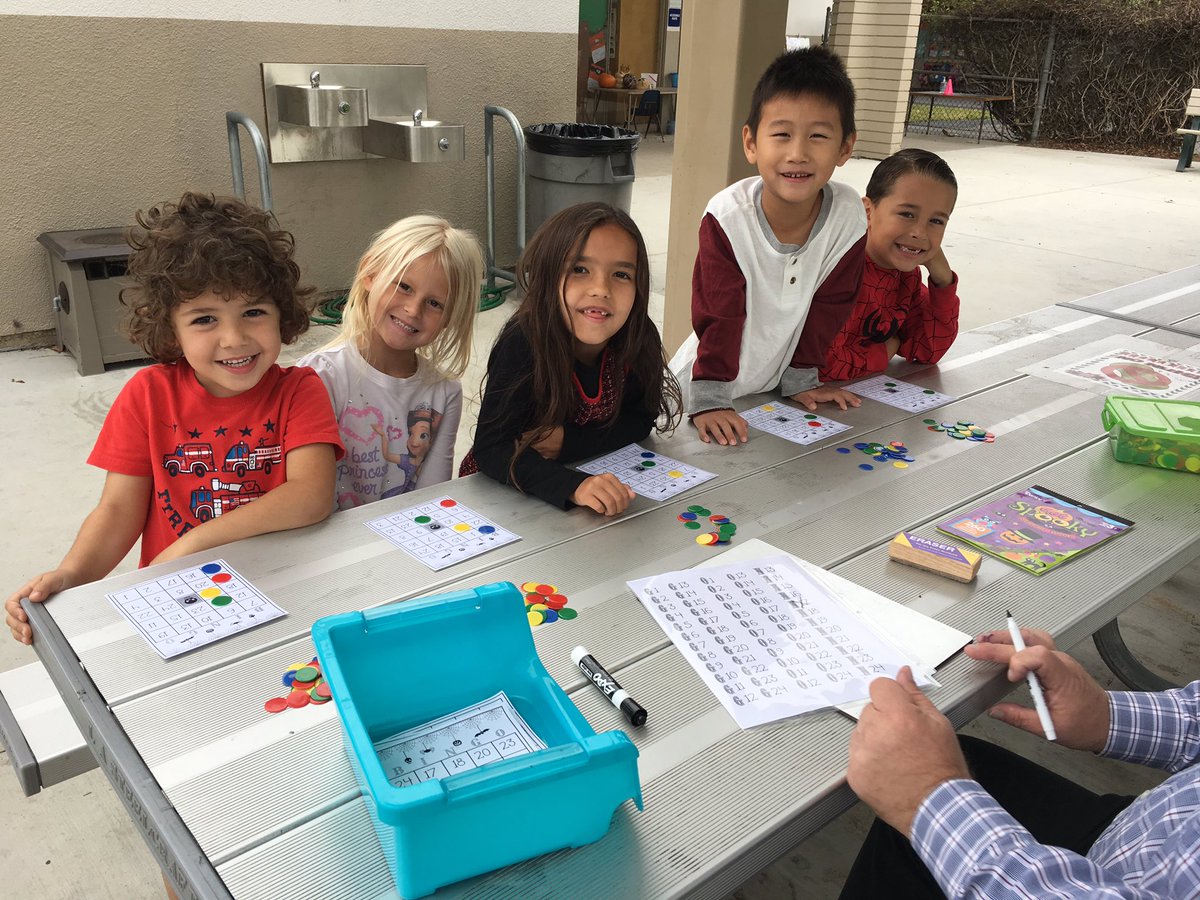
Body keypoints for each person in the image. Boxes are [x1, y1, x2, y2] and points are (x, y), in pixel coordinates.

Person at [5, 191, 344, 645]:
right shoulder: (148, 395)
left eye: (254, 312)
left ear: (283, 313)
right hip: (179, 598)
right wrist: (73, 574)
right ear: (170, 327)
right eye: (205, 319)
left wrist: (192, 544)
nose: (233, 338)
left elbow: (310, 495)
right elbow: (118, 509)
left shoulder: (299, 389)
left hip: (288, 588)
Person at [842, 626, 1200, 899]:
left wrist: (928, 798)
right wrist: (1109, 716)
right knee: (965, 762)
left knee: (925, 779)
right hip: (1143, 835)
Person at [668, 46, 868, 446]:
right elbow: (719, 312)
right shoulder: (727, 217)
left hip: (772, 392)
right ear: (751, 142)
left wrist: (801, 380)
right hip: (699, 391)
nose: (798, 153)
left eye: (818, 136)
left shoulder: (848, 215)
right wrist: (709, 399)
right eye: (781, 134)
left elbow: (830, 305)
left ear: (845, 147)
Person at [460, 201, 682, 516]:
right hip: (501, 498)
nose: (600, 289)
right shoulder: (523, 343)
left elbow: (640, 420)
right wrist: (573, 486)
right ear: (549, 276)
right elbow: (492, 449)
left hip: (587, 483)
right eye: (580, 270)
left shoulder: (638, 337)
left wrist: (570, 444)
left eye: (621, 274)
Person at [299, 215, 483, 509]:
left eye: (435, 303)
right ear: (369, 273)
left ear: (451, 317)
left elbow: (431, 499)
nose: (412, 309)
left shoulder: (445, 393)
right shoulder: (316, 378)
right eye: (404, 286)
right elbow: (306, 497)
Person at [820, 149, 960, 383]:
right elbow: (819, 364)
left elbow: (928, 348)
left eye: (936, 221)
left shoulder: (905, 276)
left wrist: (943, 281)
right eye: (907, 214)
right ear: (867, 211)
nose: (919, 233)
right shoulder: (838, 270)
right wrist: (885, 351)